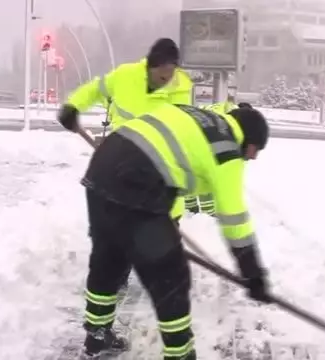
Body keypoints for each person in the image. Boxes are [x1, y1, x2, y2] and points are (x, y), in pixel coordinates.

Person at [57, 101, 272, 359]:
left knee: (109, 258)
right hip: (138, 184)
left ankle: (97, 335)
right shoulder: (226, 148)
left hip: (102, 170)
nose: (253, 157)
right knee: (171, 275)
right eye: (255, 149)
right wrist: (253, 273)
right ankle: (179, 354)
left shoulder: (196, 116)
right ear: (248, 136)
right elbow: (234, 217)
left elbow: (167, 155)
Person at [59, 38, 193, 290]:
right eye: (161, 76)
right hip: (120, 174)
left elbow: (182, 136)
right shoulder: (124, 77)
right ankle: (113, 283)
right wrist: (73, 105)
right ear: (149, 68)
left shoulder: (182, 91)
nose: (166, 81)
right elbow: (94, 89)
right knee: (115, 244)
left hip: (161, 179)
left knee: (160, 249)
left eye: (170, 75)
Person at [185, 101, 254, 215]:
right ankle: (208, 214)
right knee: (207, 174)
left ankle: (191, 208)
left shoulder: (225, 107)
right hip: (200, 136)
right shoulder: (232, 117)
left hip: (186, 131)